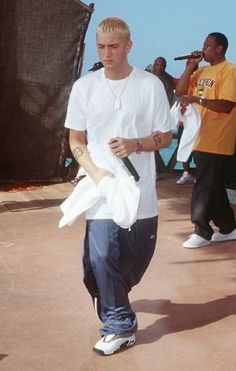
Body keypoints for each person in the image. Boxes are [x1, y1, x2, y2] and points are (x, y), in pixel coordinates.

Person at [63, 16, 172, 355]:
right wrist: (95, 174)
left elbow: (165, 136)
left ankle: (112, 295)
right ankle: (119, 324)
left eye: (113, 46)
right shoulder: (85, 87)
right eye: (101, 47)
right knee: (101, 254)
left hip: (140, 192)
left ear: (128, 46)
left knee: (133, 259)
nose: (107, 53)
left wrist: (136, 144)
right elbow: (75, 138)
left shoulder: (149, 85)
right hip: (101, 187)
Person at [175, 32, 236, 248]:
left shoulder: (229, 71)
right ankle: (228, 227)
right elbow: (180, 91)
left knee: (204, 185)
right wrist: (189, 67)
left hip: (218, 137)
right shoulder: (201, 71)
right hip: (200, 136)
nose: (203, 49)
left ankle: (201, 230)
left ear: (219, 48)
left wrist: (197, 98)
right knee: (214, 185)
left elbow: (226, 105)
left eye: (208, 46)